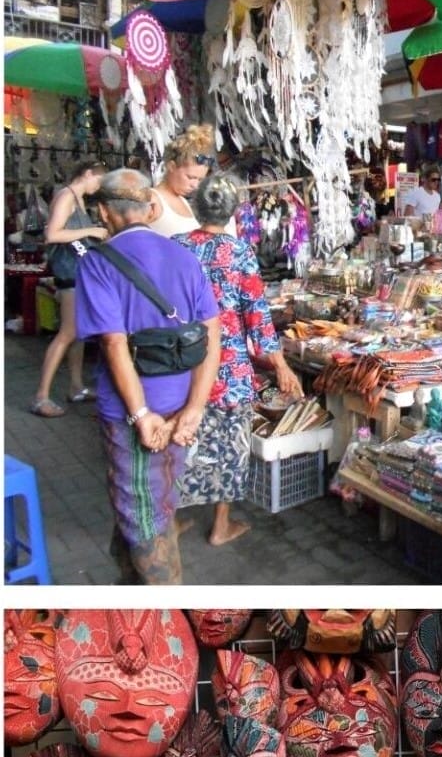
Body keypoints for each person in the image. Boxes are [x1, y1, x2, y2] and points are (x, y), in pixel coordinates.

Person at [74, 169, 220, 584]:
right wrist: (194, 408)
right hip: (177, 408)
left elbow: (114, 345)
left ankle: (163, 602)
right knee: (158, 499)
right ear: (151, 208)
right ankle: (132, 584)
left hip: (133, 416)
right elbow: (213, 334)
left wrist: (140, 415)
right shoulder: (184, 256)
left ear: (103, 211)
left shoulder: (97, 264)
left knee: (143, 513)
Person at [173, 172, 303, 546]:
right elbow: (257, 316)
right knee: (229, 446)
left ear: (196, 208)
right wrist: (280, 365)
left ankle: (175, 518)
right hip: (228, 366)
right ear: (231, 212)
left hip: (183, 363)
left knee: (185, 437)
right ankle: (220, 526)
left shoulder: (177, 246)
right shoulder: (238, 252)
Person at [31, 158, 109, 416]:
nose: (98, 187)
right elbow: (52, 234)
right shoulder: (66, 196)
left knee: (78, 333)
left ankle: (76, 386)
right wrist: (92, 231)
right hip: (69, 274)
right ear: (87, 174)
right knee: (67, 333)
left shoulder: (78, 199)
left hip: (79, 272)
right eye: (98, 180)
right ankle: (41, 396)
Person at [147, 125, 215, 236]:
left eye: (200, 179)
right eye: (190, 177)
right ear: (172, 166)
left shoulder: (183, 201)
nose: (195, 185)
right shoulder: (153, 199)